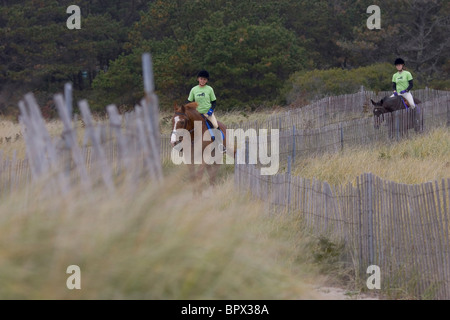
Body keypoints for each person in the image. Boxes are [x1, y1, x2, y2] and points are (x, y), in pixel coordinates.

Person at [186, 70, 226, 152]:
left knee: (215, 125)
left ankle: (220, 145)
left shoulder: (209, 89)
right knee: (187, 126)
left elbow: (214, 102)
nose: (202, 81)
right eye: (201, 79)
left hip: (208, 114)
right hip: (197, 114)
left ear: (207, 80)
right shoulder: (194, 89)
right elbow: (189, 102)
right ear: (198, 79)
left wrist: (211, 110)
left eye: (204, 79)